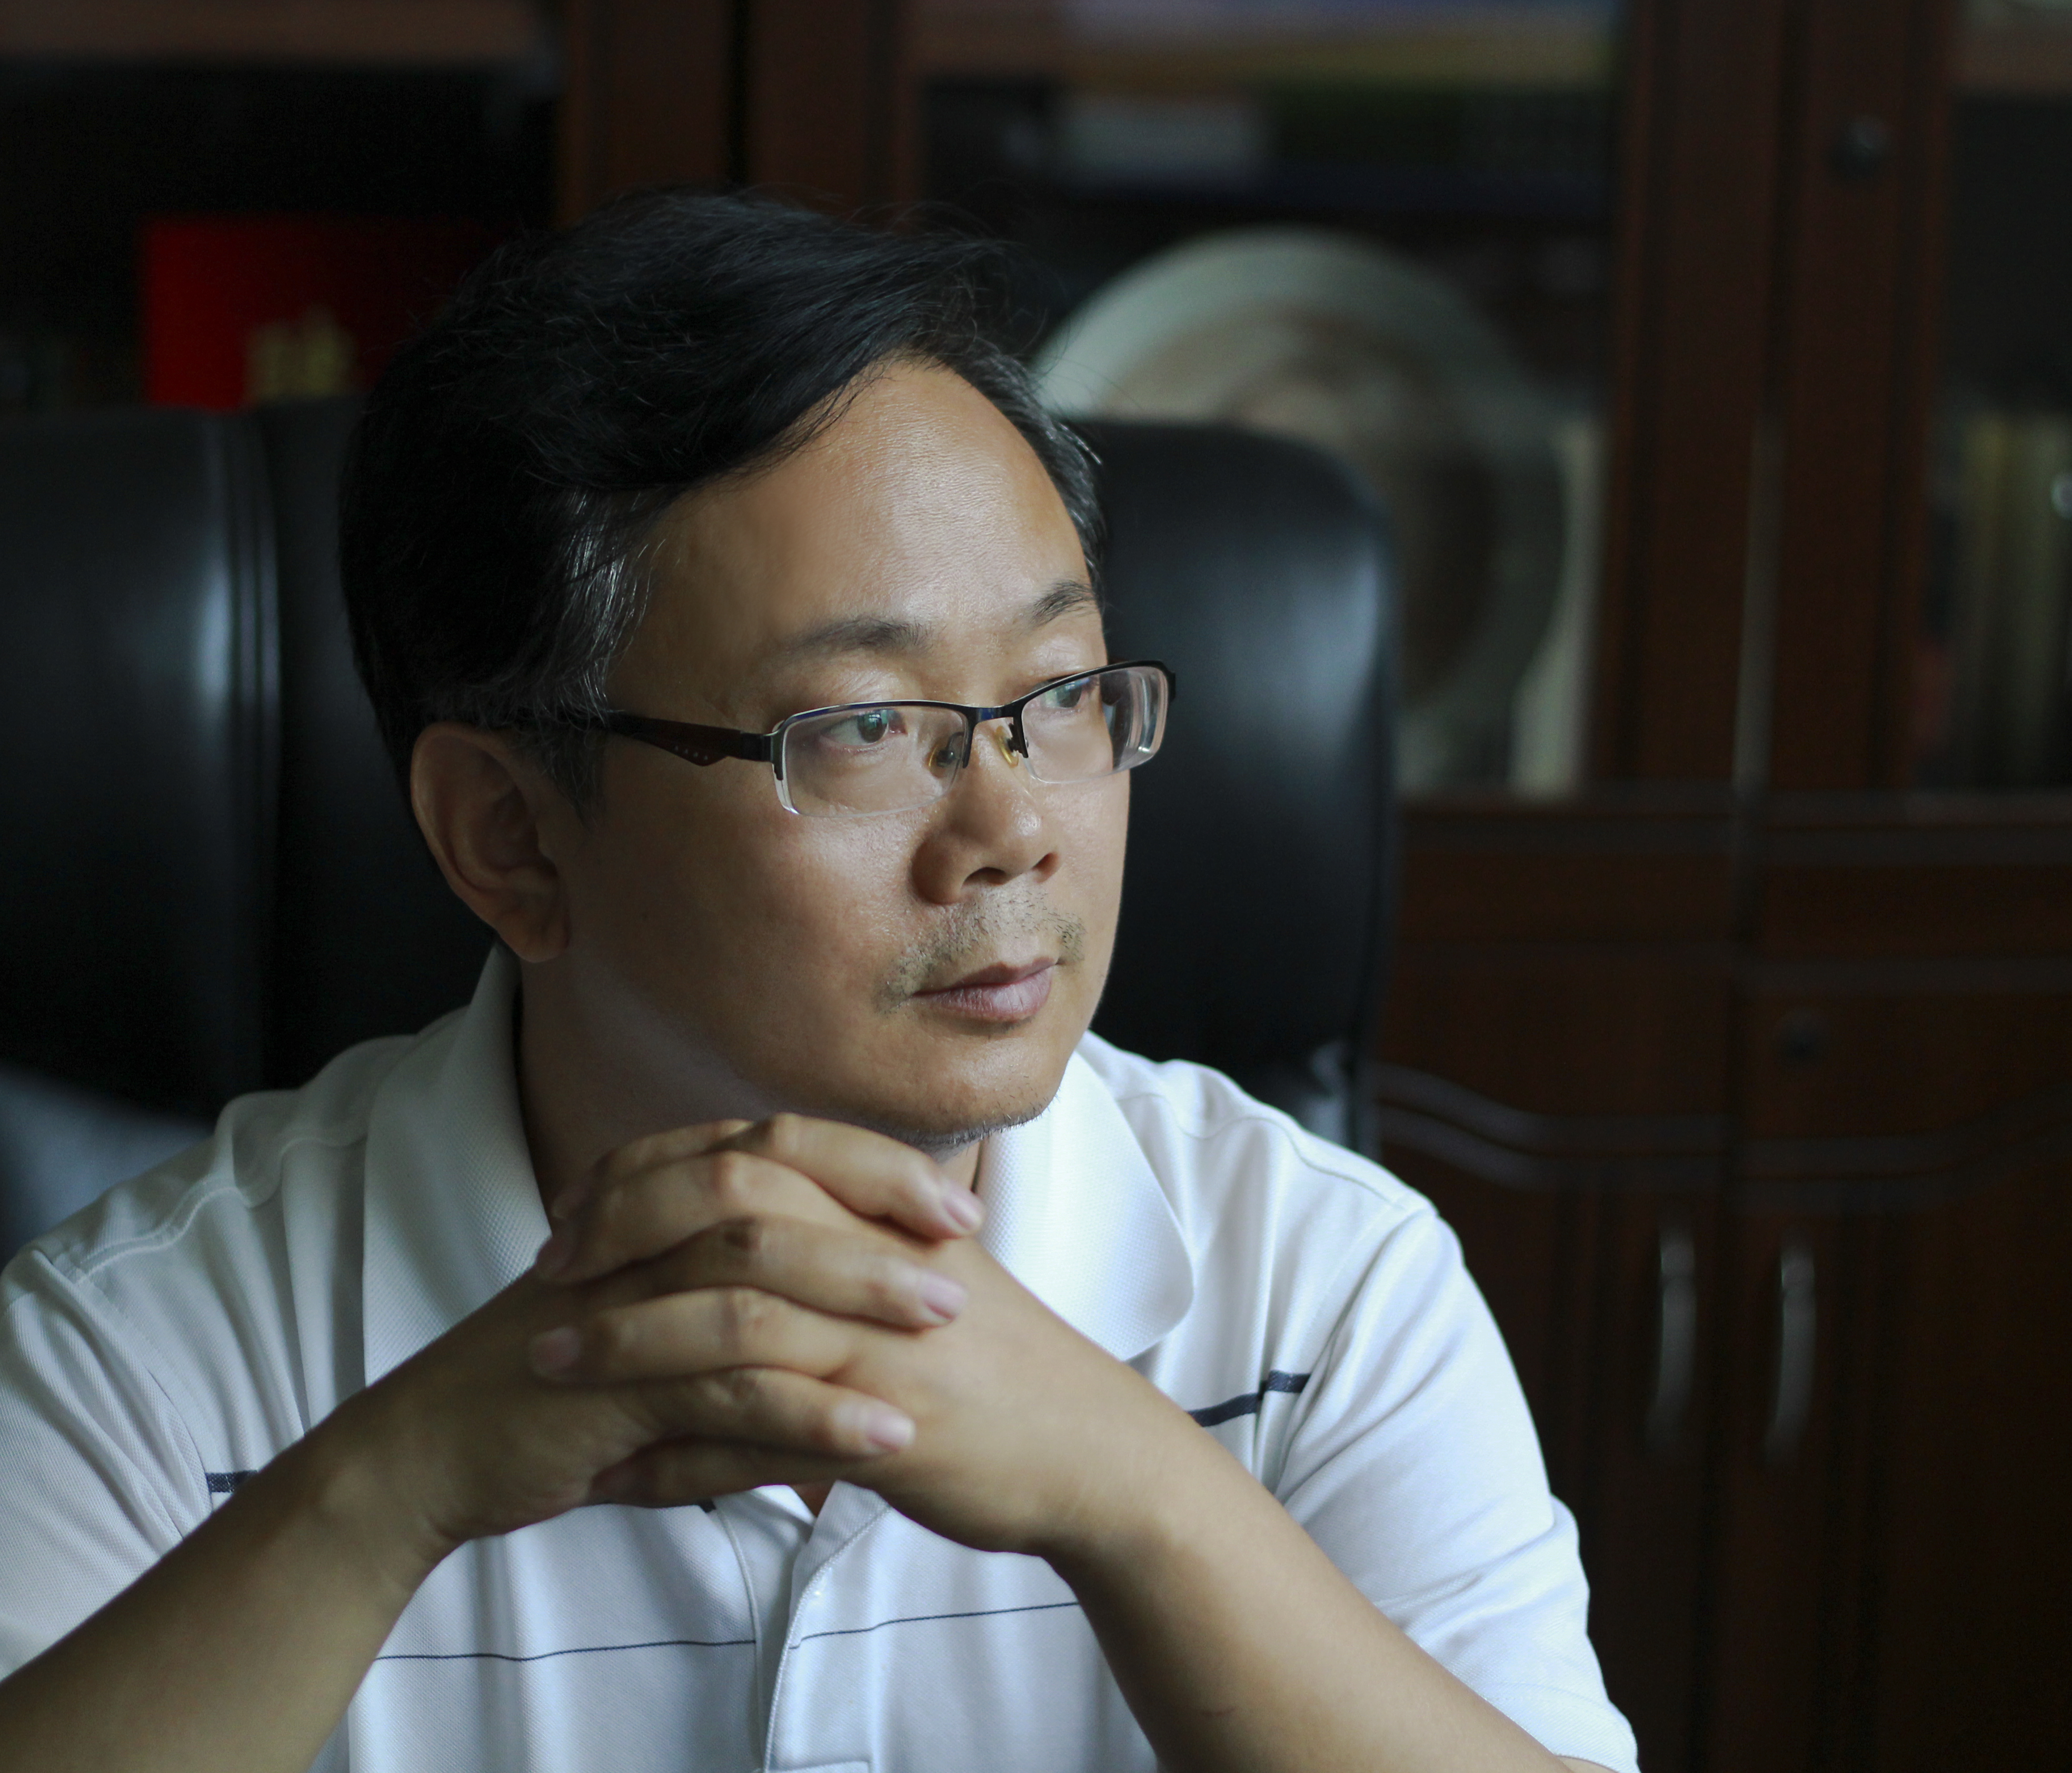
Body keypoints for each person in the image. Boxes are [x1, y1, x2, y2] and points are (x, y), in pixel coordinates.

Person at [0, 191, 1639, 1773]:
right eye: (861, 728)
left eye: (1062, 694)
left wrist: (1138, 1497)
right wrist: (390, 1492)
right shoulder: (139, 1357)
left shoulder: (1319, 1292)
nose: (1012, 832)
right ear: (511, 837)